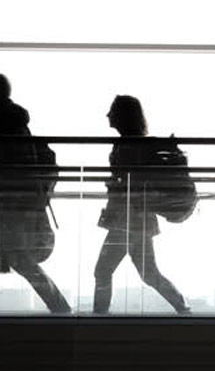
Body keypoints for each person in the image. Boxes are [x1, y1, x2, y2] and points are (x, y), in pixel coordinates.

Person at [93, 95, 189, 315]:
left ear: (123, 116)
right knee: (149, 273)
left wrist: (115, 184)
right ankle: (183, 307)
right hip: (138, 217)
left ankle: (99, 317)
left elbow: (130, 181)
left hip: (127, 218)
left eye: (113, 111)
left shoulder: (128, 146)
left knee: (103, 271)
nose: (108, 115)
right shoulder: (138, 144)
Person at [0, 74, 71, 314]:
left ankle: (61, 309)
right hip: (23, 204)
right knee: (23, 261)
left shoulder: (3, 124)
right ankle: (61, 309)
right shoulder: (20, 124)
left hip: (7, 205)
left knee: (21, 260)